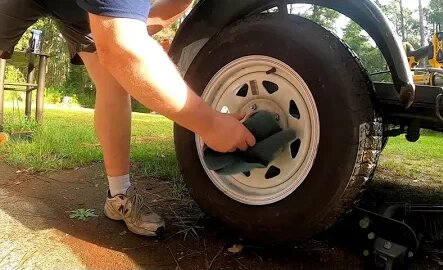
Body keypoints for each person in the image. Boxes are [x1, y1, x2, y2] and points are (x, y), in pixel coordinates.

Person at [0, 0, 256, 237]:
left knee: (113, 80)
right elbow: (121, 46)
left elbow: (140, 28)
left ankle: (119, 195)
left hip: (76, 8)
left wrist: (128, 33)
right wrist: (209, 124)